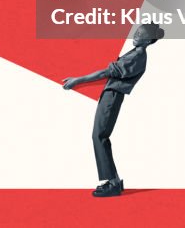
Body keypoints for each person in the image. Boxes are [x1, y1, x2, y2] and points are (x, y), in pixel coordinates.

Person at [61, 22, 165, 197]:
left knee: (99, 135)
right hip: (110, 94)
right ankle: (115, 180)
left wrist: (77, 80)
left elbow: (105, 73)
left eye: (140, 35)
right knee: (101, 135)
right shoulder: (135, 52)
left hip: (113, 96)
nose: (136, 36)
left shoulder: (138, 56)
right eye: (136, 32)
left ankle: (112, 183)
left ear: (148, 41)